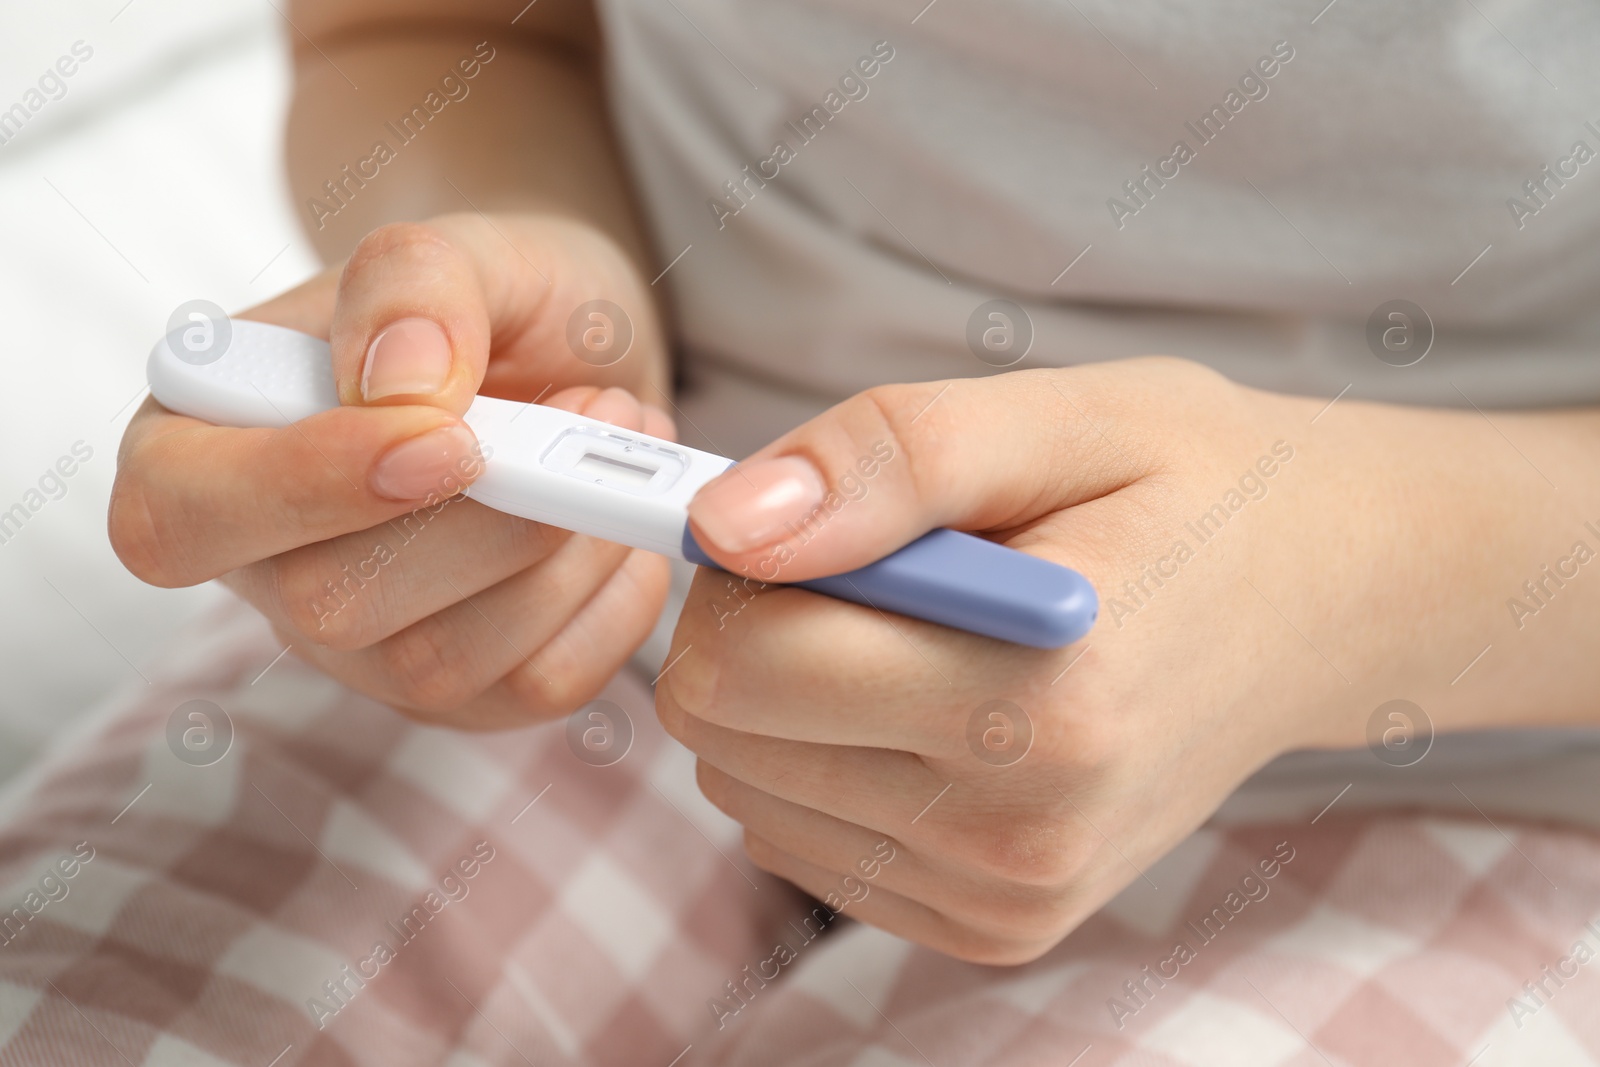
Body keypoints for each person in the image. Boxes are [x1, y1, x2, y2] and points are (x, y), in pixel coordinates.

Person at [8, 1, 1600, 1064]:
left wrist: (1339, 591)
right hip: (596, 623)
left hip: (1468, 744)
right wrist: (558, 303)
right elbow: (423, 26)